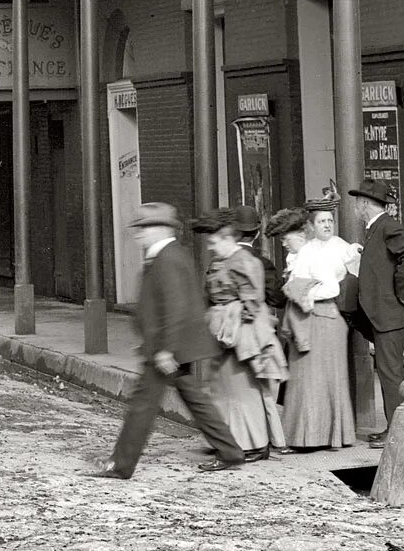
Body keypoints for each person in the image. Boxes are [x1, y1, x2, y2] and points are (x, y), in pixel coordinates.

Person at [108, 203, 260, 477]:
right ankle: (230, 452)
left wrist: (166, 349)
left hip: (168, 349)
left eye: (144, 228)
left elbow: (177, 307)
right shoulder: (167, 255)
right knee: (195, 400)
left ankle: (121, 465)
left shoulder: (167, 257)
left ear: (161, 229)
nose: (139, 234)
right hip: (167, 345)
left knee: (143, 405)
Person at [344, 177, 404, 446]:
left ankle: (398, 431)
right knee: (389, 372)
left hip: (389, 314)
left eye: (358, 202)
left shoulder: (386, 226)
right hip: (383, 314)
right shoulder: (376, 228)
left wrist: (401, 292)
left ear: (365, 204)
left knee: (390, 374)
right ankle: (394, 426)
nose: (356, 207)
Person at [279, 200, 362, 452]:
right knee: (308, 379)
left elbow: (333, 286)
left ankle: (322, 437)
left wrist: (306, 295)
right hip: (311, 319)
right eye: (321, 221)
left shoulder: (338, 247)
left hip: (325, 318)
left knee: (321, 379)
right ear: (311, 226)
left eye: (330, 221)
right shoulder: (307, 250)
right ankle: (310, 436)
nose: (327, 225)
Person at [199, 209, 283, 452]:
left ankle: (252, 445)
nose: (211, 247)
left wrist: (228, 317)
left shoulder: (245, 262)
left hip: (241, 336)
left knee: (242, 392)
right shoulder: (225, 261)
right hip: (228, 334)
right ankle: (235, 442)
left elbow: (252, 302)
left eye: (215, 242)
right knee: (227, 390)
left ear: (229, 238)